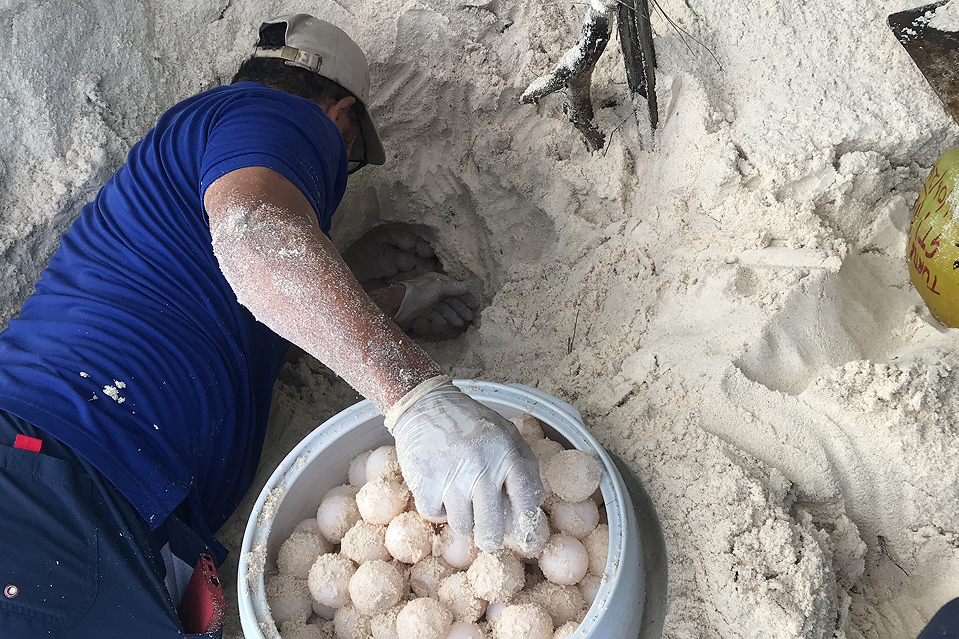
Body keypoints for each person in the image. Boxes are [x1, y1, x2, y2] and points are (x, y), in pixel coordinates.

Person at [0, 14, 543, 637]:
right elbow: (255, 231)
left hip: (81, 483)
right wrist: (417, 396)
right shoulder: (272, 114)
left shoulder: (182, 185)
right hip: (58, 465)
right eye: (355, 157)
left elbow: (258, 306)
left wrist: (385, 295)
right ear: (338, 115)